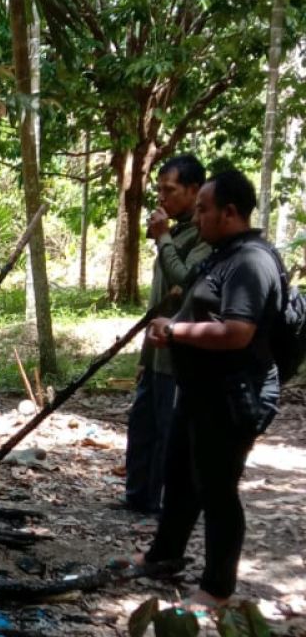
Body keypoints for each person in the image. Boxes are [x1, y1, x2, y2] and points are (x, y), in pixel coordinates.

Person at [141, 170, 281, 607]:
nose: (197, 217)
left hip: (232, 395)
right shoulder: (223, 253)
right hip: (199, 390)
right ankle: (164, 557)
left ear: (231, 212)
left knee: (217, 489)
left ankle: (216, 589)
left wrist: (178, 332)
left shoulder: (251, 262)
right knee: (180, 476)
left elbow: (238, 332)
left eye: (204, 209)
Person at [122, 155, 211, 514]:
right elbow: (159, 301)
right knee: (142, 425)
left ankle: (161, 505)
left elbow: (184, 278)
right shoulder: (173, 234)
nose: (161, 198)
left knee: (168, 432)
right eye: (159, 189)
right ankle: (138, 497)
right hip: (156, 350)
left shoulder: (203, 236)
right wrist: (143, 358)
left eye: (169, 190)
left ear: (193, 190)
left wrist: (163, 238)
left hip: (181, 350)